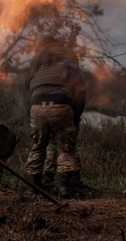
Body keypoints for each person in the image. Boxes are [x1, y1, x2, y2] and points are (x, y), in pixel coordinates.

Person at [24, 43, 87, 199]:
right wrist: (75, 117)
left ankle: (35, 187)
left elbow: (27, 94)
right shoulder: (70, 69)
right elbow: (80, 96)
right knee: (65, 148)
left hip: (36, 107)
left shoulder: (39, 71)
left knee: (38, 146)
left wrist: (31, 113)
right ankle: (64, 188)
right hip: (61, 105)